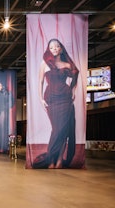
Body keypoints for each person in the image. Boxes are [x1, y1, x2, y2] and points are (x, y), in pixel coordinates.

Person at [32, 38, 79, 168]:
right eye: (51, 47)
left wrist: (73, 90)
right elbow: (40, 82)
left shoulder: (67, 65)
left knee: (63, 130)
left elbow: (76, 75)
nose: (54, 49)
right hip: (51, 98)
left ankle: (58, 160)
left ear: (61, 49)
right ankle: (50, 160)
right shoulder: (44, 64)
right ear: (48, 49)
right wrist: (41, 98)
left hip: (65, 98)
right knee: (57, 129)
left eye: (57, 46)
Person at [0, 81, 13, 152]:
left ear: (2, 85)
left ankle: (4, 145)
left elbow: (10, 102)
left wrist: (5, 108)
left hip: (3, 111)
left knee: (3, 127)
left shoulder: (6, 93)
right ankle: (1, 144)